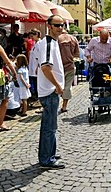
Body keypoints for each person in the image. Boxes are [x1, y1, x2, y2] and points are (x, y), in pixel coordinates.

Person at [37, 15, 65, 169]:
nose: (60, 28)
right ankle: (46, 159)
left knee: (49, 126)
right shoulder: (48, 43)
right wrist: (57, 86)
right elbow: (45, 67)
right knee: (50, 127)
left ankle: (48, 153)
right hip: (50, 91)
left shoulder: (51, 43)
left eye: (61, 25)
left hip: (49, 89)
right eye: (56, 25)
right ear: (49, 26)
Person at [58, 29, 80, 113]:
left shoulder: (57, 39)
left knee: (56, 86)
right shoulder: (74, 39)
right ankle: (64, 106)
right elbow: (77, 54)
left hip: (58, 67)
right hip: (70, 66)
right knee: (67, 87)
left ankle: (55, 105)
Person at [28, 28, 41, 100]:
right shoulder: (35, 43)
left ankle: (38, 98)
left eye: (32, 36)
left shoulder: (39, 44)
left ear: (36, 35)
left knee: (36, 83)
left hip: (36, 67)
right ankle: (35, 96)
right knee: (34, 82)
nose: (31, 37)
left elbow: (39, 56)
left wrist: (37, 67)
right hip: (32, 66)